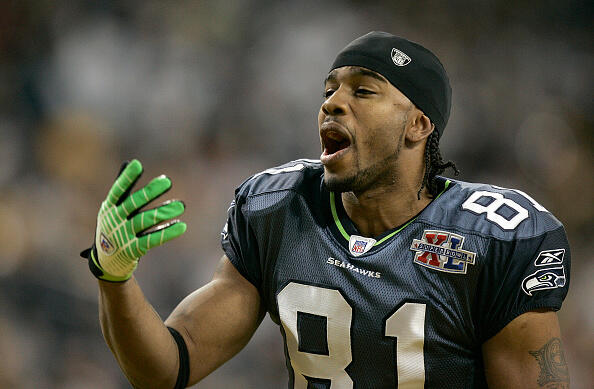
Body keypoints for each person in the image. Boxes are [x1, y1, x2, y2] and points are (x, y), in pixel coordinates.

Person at [81, 31, 571, 388]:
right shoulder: (277, 209)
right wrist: (113, 276)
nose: (333, 103)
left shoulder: (498, 238)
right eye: (330, 90)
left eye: (362, 90)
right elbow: (168, 367)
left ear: (418, 125)